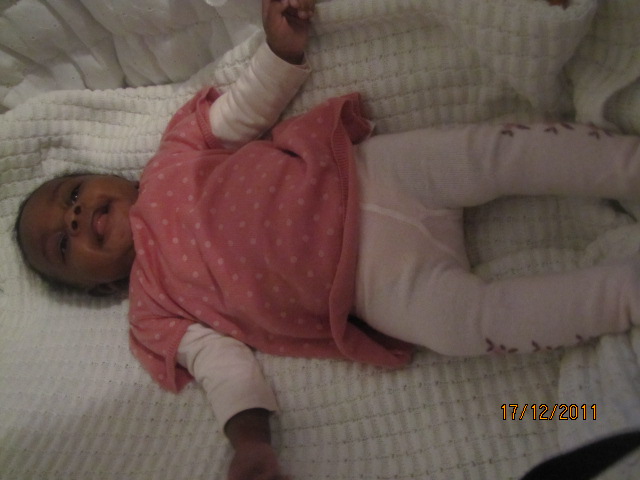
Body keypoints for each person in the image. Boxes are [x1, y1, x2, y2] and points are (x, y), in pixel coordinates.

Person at [14, 0, 640, 478]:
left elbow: (245, 110)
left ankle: (626, 165)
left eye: (72, 196)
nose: (74, 219)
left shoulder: (171, 157)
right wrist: (250, 441)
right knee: (467, 325)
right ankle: (623, 297)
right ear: (98, 287)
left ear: (109, 179)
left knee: (489, 154)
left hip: (370, 176)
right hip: (372, 287)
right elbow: (220, 366)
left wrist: (280, 51)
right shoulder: (153, 310)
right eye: (62, 245)